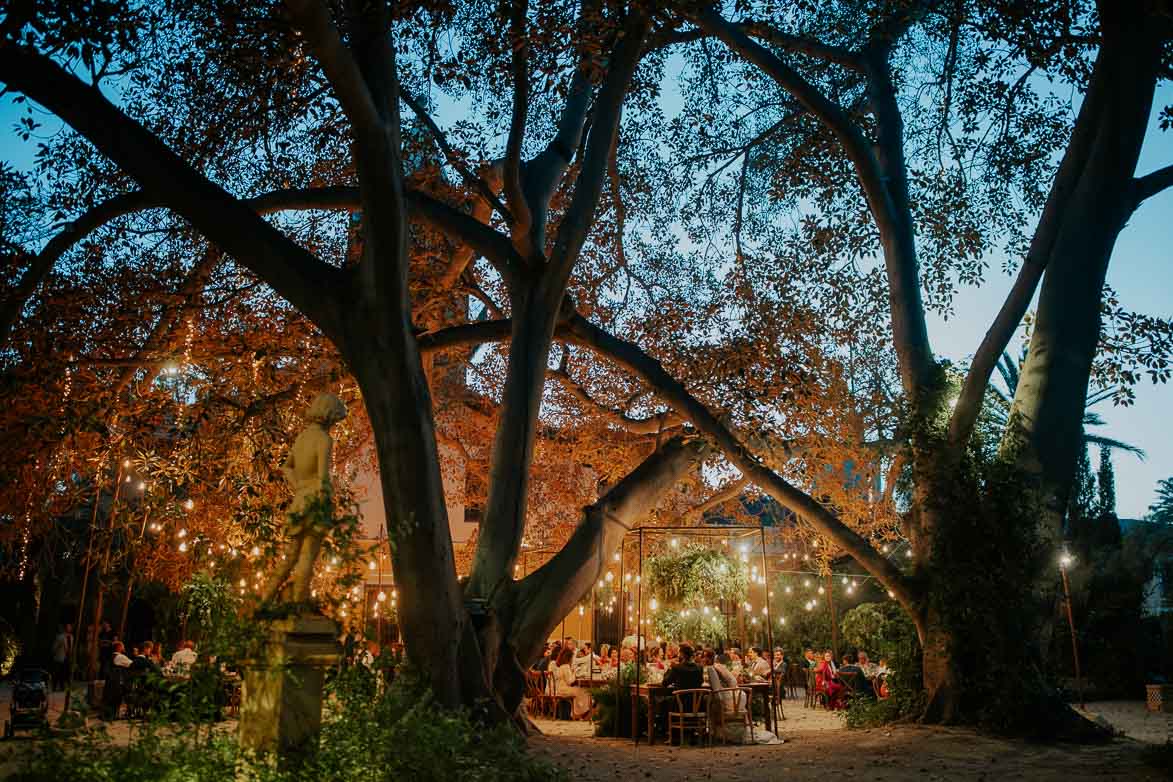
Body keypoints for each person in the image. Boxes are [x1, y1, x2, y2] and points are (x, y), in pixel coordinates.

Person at [703, 650, 782, 745]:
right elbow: (732, 682)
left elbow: (727, 685)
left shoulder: (713, 669)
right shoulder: (717, 668)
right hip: (732, 698)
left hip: (725, 699)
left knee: (709, 700)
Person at [548, 647, 591, 719]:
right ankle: (581, 711)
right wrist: (574, 673)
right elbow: (570, 681)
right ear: (569, 658)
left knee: (580, 690)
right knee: (582, 691)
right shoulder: (566, 666)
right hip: (564, 690)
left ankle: (579, 711)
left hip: (560, 688)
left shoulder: (562, 666)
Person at [51, 624, 72, 691]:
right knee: (57, 673)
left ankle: (62, 687)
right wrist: (55, 653)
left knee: (64, 673)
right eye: (68, 627)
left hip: (67, 658)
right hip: (59, 657)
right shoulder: (60, 637)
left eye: (70, 627)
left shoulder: (71, 637)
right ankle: (54, 687)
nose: (69, 628)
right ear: (65, 628)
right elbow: (54, 647)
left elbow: (71, 647)